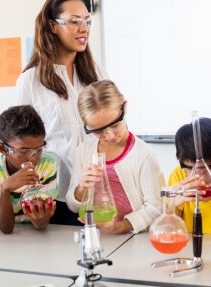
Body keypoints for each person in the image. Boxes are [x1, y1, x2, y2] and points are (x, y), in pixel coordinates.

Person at [0, 0, 108, 225]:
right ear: (53, 26)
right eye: (74, 21)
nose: (84, 28)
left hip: (98, 189)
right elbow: (18, 135)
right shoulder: (30, 80)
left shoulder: (96, 73)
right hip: (57, 192)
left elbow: (112, 127)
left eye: (87, 21)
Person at [66, 80, 166, 234]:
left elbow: (155, 207)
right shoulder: (84, 152)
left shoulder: (143, 155)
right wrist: (81, 188)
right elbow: (73, 206)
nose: (110, 136)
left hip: (132, 237)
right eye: (99, 131)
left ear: (124, 107)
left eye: (114, 125)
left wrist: (120, 227)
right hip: (97, 236)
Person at [0, 105, 58, 234]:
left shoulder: (47, 163)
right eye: (24, 151)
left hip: (34, 234)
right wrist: (5, 189)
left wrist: (40, 221)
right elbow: (6, 229)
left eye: (39, 149)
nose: (33, 157)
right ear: (3, 149)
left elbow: (42, 224)